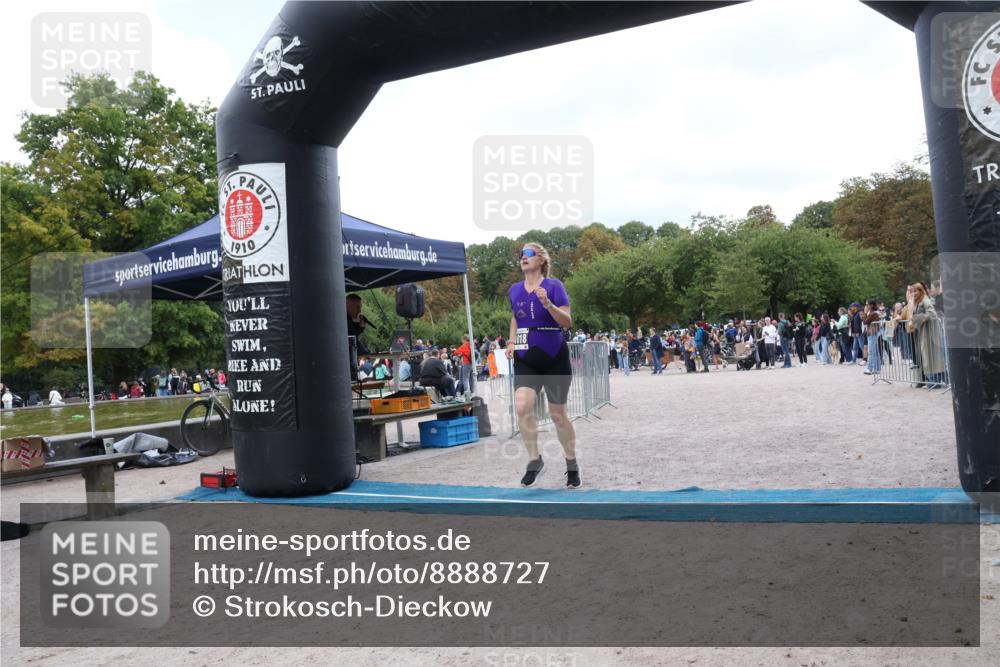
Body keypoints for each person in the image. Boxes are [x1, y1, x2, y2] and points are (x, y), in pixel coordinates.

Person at [506, 242, 579, 488]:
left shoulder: (554, 286)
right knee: (523, 408)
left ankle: (571, 463)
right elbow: (516, 317)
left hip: (554, 356)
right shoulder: (514, 290)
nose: (522, 258)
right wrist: (511, 341)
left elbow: (567, 321)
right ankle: (534, 460)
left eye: (528, 254)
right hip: (526, 358)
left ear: (541, 259)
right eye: (520, 255)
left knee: (557, 414)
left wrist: (548, 304)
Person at [907, 282, 947, 388]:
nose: (914, 293)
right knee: (928, 356)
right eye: (912, 291)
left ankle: (935, 381)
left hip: (930, 332)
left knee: (931, 356)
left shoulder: (925, 300)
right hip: (924, 331)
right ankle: (935, 380)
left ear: (920, 291)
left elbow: (932, 313)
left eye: (915, 291)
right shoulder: (919, 301)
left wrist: (916, 318)